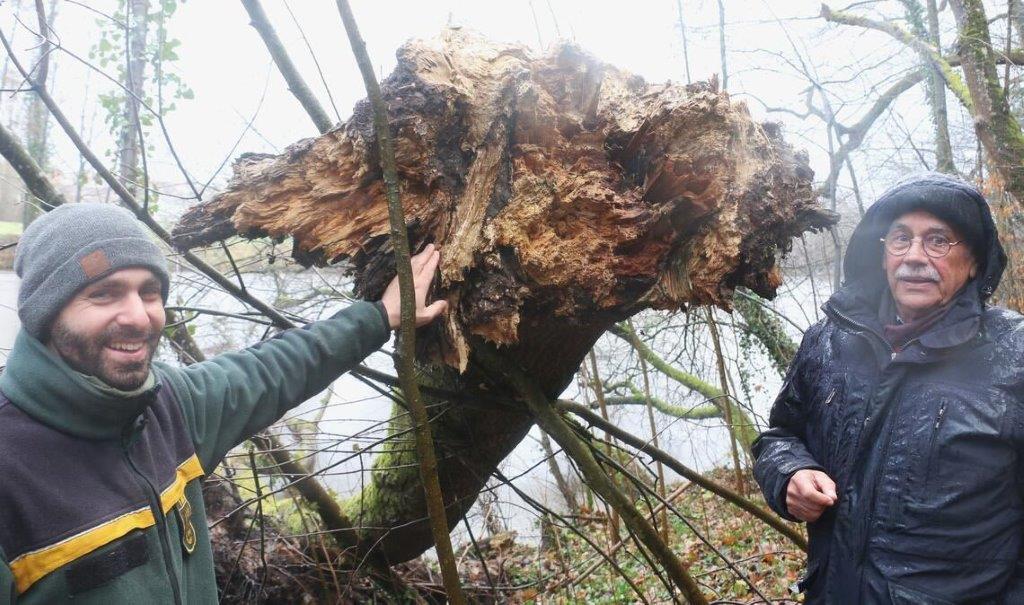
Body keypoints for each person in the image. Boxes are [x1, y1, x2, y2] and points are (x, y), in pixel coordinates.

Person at [0, 203, 446, 604]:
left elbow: (276, 369)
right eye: (104, 293)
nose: (138, 316)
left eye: (149, 292)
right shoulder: (10, 464)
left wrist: (380, 316)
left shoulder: (169, 407)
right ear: (46, 313)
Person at [752, 171, 1024, 602]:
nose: (914, 256)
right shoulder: (829, 342)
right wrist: (788, 475)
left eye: (938, 241)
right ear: (882, 256)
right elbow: (780, 437)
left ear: (974, 262)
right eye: (900, 239)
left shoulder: (1014, 358)